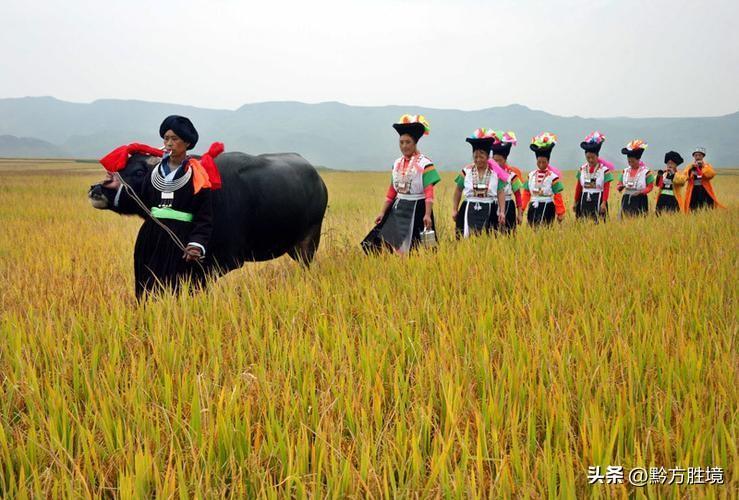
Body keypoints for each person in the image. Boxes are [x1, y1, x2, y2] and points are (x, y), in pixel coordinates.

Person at [101, 115, 215, 298]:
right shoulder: (154, 173)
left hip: (181, 240)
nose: (169, 143)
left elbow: (204, 216)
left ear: (187, 143)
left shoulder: (198, 175)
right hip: (151, 237)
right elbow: (139, 201)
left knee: (180, 293)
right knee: (147, 291)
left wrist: (196, 244)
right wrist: (116, 186)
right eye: (166, 138)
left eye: (174, 139)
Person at [366, 114, 441, 253]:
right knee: (382, 245)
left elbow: (429, 192)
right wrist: (382, 212)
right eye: (401, 142)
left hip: (418, 209)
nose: (404, 146)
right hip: (398, 208)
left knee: (418, 250)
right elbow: (391, 191)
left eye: (408, 142)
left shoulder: (425, 164)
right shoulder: (397, 163)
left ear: (415, 143)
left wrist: (427, 214)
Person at [452, 130, 506, 238]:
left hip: (489, 209)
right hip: (468, 208)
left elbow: (500, 192)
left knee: (488, 239)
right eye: (475, 157)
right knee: (466, 239)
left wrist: (502, 212)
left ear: (488, 157)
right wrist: (454, 209)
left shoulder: (495, 174)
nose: (478, 160)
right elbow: (458, 190)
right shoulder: (466, 172)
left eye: (481, 157)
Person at [521, 132, 565, 226]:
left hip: (547, 207)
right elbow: (526, 193)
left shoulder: (553, 177)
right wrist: (522, 208)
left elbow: (557, 195)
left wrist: (560, 212)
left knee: (545, 228)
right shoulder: (531, 175)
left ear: (548, 161)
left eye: (544, 162)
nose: (541, 164)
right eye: (539, 162)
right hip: (533, 207)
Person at [574, 131, 614, 221]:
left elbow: (606, 188)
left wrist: (604, 202)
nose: (590, 160)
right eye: (588, 157)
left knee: (599, 223)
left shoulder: (604, 171)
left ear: (597, 156)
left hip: (598, 200)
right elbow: (579, 187)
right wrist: (575, 201)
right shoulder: (582, 169)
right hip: (584, 200)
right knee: (584, 223)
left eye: (593, 157)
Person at [491, 130, 524, 232]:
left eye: (499, 160)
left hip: (509, 206)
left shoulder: (512, 175)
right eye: (494, 160)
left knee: (509, 234)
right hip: (493, 205)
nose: (496, 163)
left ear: (505, 160)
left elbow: (518, 195)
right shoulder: (490, 174)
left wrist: (520, 214)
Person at [617, 139, 655, 217]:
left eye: (633, 161)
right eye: (629, 161)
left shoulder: (646, 172)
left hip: (640, 200)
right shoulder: (625, 171)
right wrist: (620, 187)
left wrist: (641, 192)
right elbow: (619, 184)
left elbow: (650, 187)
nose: (631, 163)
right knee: (625, 219)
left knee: (639, 219)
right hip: (626, 199)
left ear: (638, 160)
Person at [681, 147, 724, 212]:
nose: (698, 157)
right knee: (692, 207)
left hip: (704, 189)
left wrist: (703, 167)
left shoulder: (707, 165)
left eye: (699, 155)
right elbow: (684, 177)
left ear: (703, 156)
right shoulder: (690, 166)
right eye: (696, 155)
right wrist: (691, 169)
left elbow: (711, 174)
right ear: (694, 156)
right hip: (693, 189)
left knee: (707, 207)